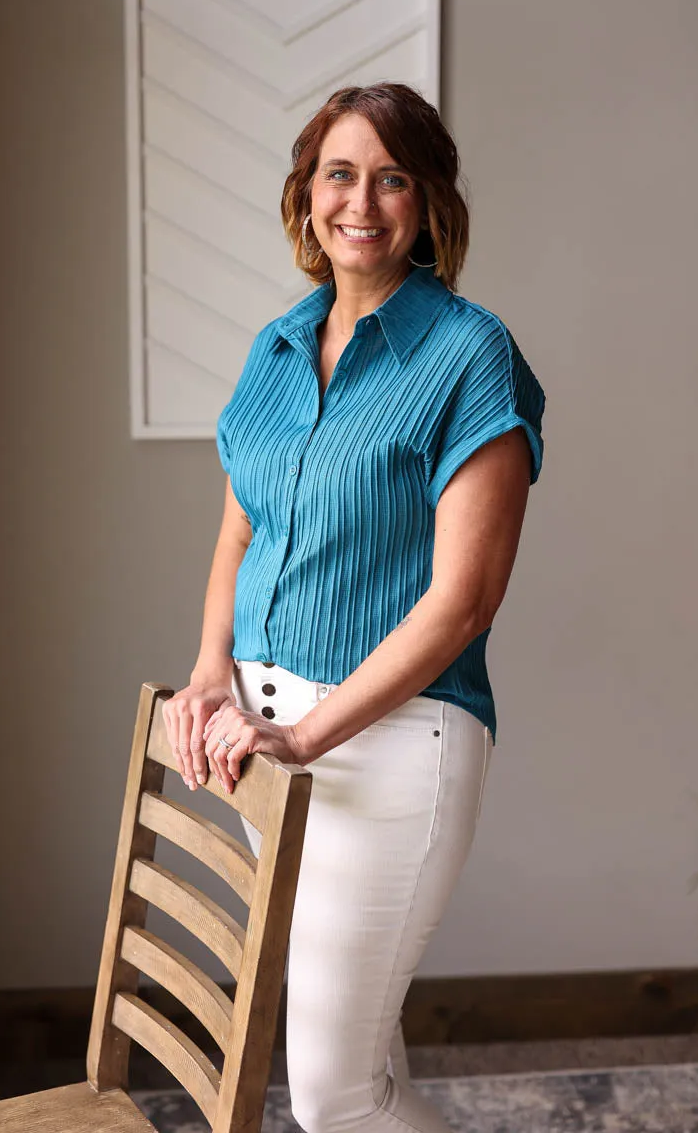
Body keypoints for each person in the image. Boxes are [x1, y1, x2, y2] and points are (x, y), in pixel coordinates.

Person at [162, 82, 546, 1132]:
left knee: (334, 1100)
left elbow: (462, 603)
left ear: (427, 206)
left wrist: (303, 738)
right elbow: (243, 527)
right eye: (340, 172)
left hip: (388, 745)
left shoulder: (470, 355)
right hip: (266, 738)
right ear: (307, 194)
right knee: (366, 1063)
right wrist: (210, 671)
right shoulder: (278, 346)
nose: (361, 201)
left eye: (392, 177)